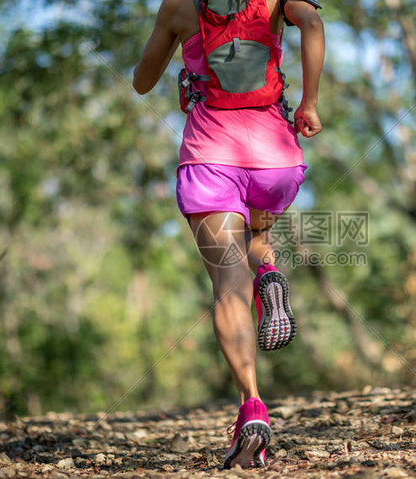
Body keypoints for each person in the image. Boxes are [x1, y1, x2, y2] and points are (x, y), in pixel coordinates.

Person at [132, 0, 324, 469]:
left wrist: (175, 43)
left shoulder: (179, 7)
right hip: (274, 156)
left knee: (227, 285)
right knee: (255, 236)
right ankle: (271, 269)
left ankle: (252, 407)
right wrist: (310, 103)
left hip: (210, 156)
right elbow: (314, 23)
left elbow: (141, 81)